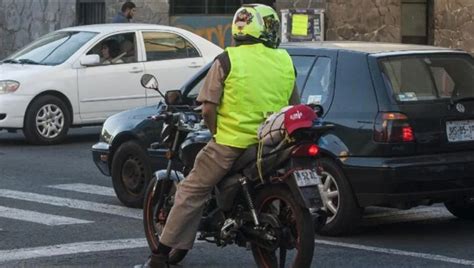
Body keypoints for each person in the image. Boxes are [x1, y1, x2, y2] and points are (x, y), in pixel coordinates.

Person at [145, 4, 300, 268]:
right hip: (271, 143)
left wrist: (217, 131)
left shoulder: (227, 59)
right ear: (265, 30)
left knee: (191, 191)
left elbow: (207, 108)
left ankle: (159, 256)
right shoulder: (285, 59)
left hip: (231, 144)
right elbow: (294, 103)